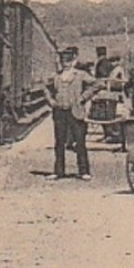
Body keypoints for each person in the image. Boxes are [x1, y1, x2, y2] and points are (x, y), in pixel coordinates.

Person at [45, 46, 97, 180]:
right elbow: (45, 87)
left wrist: (83, 97)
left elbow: (96, 84)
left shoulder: (80, 75)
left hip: (76, 111)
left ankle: (84, 171)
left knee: (80, 142)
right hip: (60, 112)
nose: (65, 63)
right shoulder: (56, 76)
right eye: (63, 61)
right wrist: (51, 101)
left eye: (68, 61)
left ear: (74, 61)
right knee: (59, 142)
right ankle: (58, 171)